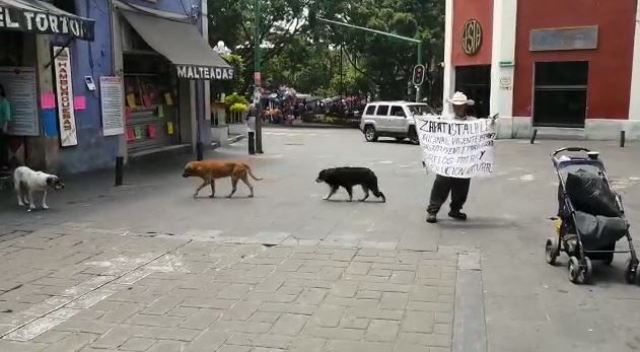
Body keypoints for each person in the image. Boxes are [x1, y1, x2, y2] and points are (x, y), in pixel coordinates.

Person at [426, 91, 477, 224]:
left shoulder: (473, 122)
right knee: (441, 183)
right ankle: (432, 210)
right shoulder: (446, 120)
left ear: (465, 106)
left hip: (464, 161)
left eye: (460, 105)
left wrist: (491, 125)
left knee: (462, 187)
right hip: (447, 160)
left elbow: (484, 134)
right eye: (455, 105)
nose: (457, 108)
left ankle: (455, 209)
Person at [0, 84, 10, 170]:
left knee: (2, 146)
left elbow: (6, 117)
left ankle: (4, 164)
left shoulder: (4, 102)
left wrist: (4, 128)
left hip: (1, 128)